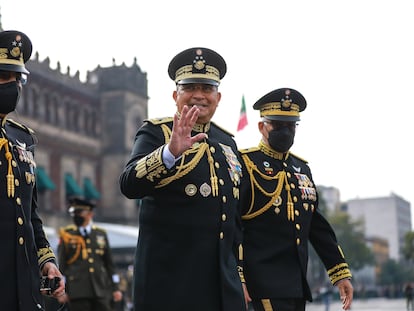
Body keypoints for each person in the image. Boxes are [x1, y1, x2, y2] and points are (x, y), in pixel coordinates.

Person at [119, 47, 246, 310]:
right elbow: (129, 184)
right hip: (172, 288)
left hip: (223, 289)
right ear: (176, 95)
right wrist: (170, 152)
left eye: (207, 88)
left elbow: (235, 222)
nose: (198, 95)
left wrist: (241, 277)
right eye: (189, 87)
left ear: (218, 96)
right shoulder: (156, 133)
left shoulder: (228, 144)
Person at [239, 88, 354, 311]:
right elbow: (233, 226)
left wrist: (339, 273)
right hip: (260, 285)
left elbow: (316, 226)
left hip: (296, 286)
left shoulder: (301, 168)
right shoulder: (246, 164)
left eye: (291, 126)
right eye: (278, 125)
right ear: (262, 126)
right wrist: (238, 276)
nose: (285, 131)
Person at [0, 30, 65, 310]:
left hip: (22, 288)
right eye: (3, 76)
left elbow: (29, 215)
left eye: (18, 79)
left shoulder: (22, 139)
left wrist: (47, 261)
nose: (13, 86)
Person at [57, 197, 123, 311]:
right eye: (74, 213)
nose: (76, 216)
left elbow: (110, 265)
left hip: (101, 289)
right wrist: (62, 291)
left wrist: (116, 288)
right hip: (78, 291)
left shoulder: (100, 234)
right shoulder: (67, 235)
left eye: (79, 213)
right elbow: (62, 265)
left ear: (90, 214)